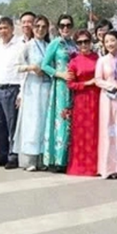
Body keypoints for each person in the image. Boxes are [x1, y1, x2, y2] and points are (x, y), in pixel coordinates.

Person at [15, 15, 51, 171]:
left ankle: (43, 158)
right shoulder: (27, 46)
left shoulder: (49, 46)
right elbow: (17, 66)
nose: (40, 30)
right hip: (32, 88)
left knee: (44, 121)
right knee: (32, 122)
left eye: (43, 27)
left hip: (47, 87)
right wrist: (31, 68)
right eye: (37, 26)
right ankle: (30, 159)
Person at [41, 15, 75, 172]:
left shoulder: (74, 44)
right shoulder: (55, 43)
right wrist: (60, 74)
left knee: (72, 121)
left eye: (68, 25)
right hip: (60, 87)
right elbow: (45, 65)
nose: (65, 28)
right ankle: (57, 159)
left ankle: (69, 158)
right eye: (62, 25)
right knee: (61, 120)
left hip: (74, 87)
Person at [0, 16, 25, 168]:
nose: (3, 31)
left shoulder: (20, 46)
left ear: (12, 28)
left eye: (5, 28)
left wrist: (21, 93)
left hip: (12, 88)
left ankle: (13, 155)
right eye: (0, 28)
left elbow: (23, 71)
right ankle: (2, 154)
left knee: (12, 125)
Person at [66, 30, 99, 177]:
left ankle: (96, 165)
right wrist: (86, 83)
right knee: (81, 133)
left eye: (86, 41)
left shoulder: (98, 58)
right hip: (81, 100)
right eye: (80, 42)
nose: (83, 45)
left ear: (91, 42)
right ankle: (80, 165)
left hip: (97, 98)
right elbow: (70, 84)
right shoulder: (74, 61)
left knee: (95, 131)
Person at [95, 29, 117, 180]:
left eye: (112, 40)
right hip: (107, 99)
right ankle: (107, 168)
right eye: (106, 41)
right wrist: (113, 86)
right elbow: (98, 80)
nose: (110, 44)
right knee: (108, 131)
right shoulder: (102, 60)